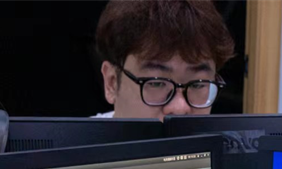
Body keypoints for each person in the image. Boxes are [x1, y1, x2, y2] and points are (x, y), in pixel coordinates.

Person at [93, 0, 234, 120]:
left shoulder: (229, 143)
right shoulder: (81, 143)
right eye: (156, 83)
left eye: (198, 85)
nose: (180, 109)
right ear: (111, 83)